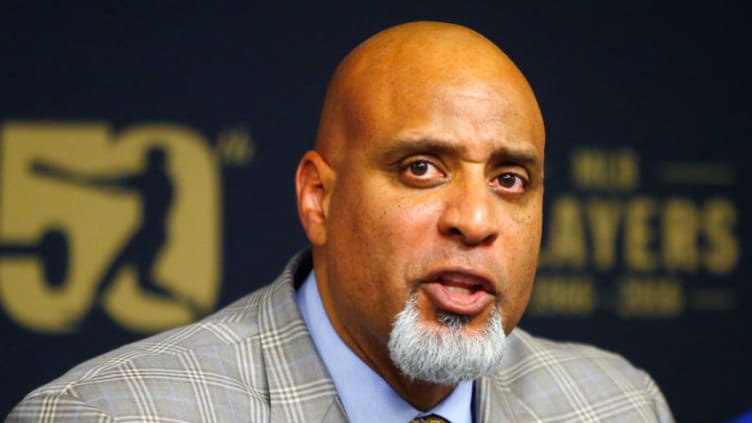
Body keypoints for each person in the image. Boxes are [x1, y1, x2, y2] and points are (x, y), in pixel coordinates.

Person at [7, 21, 673, 422]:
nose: (475, 218)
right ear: (318, 199)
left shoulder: (617, 403)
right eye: (421, 168)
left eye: (510, 180)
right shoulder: (111, 414)